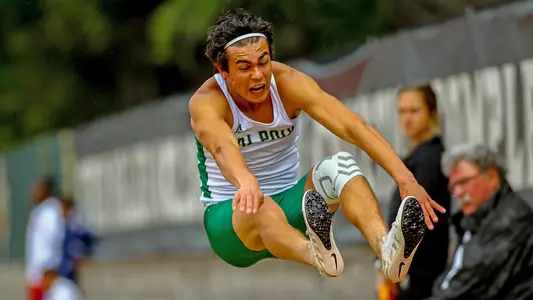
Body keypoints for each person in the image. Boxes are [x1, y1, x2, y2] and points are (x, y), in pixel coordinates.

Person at [190, 8, 445, 281]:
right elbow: (221, 147)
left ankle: (387, 251)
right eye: (244, 68)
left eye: (263, 62)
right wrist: (245, 181)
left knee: (341, 165)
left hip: (291, 208)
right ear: (222, 70)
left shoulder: (288, 83)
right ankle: (316, 254)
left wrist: (405, 179)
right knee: (258, 204)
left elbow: (354, 127)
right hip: (232, 225)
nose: (258, 75)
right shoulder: (207, 101)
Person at [426, 144, 533, 300]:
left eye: (464, 182)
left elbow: (469, 285)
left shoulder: (510, 218)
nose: (458, 193)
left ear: (492, 177)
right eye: (453, 187)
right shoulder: (472, 221)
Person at [375, 84, 451, 299]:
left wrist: (386, 268)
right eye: (402, 111)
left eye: (414, 111)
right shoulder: (417, 155)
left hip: (419, 273)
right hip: (407, 270)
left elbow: (412, 218)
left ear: (432, 112)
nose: (407, 118)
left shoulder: (430, 158)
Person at [26, 176, 65, 300]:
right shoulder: (39, 211)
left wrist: (47, 267)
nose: (33, 192)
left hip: (46, 271)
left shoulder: (52, 212)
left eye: (37, 189)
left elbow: (53, 240)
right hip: (36, 272)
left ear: (45, 190)